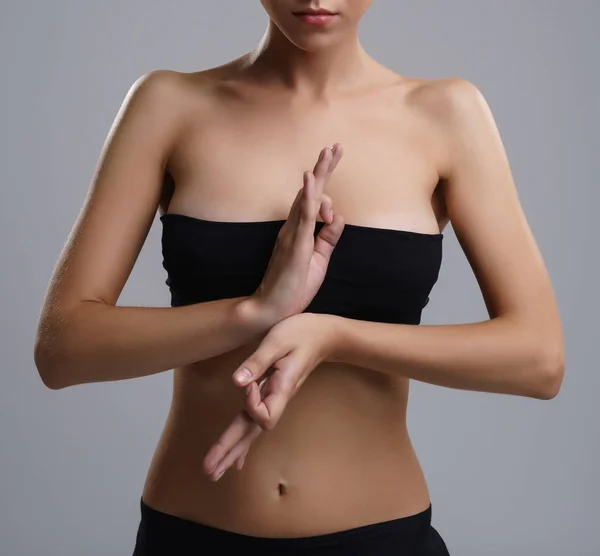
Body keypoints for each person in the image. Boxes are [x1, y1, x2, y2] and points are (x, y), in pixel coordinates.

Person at [33, 1, 565, 554]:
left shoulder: (446, 113)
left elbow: (539, 360)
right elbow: (62, 349)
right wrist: (254, 312)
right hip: (189, 536)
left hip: (381, 539)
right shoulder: (169, 105)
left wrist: (332, 336)